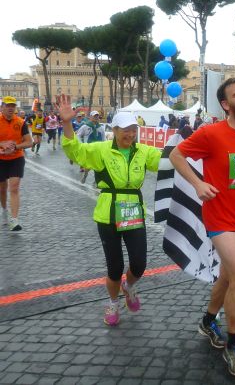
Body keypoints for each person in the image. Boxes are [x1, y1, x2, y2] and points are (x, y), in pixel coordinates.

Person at [169, 77, 235, 378]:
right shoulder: (211, 133)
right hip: (220, 218)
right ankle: (233, 344)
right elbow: (176, 155)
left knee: (227, 276)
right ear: (225, 104)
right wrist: (198, 184)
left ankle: (207, 321)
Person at [58, 97, 161, 325]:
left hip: (134, 213)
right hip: (108, 215)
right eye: (125, 130)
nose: (130, 135)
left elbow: (167, 159)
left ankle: (129, 286)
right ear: (114, 130)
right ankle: (113, 303)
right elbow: (75, 151)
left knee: (139, 263)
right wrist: (66, 124)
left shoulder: (143, 151)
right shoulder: (101, 150)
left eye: (133, 130)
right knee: (114, 267)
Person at [0, 96, 32, 231]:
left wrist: (16, 147)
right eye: (8, 106)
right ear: (2, 107)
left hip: (16, 158)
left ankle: (14, 219)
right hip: (1, 159)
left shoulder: (20, 122)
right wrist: (2, 144)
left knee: (14, 187)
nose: (10, 108)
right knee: (2, 188)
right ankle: (4, 209)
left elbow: (29, 142)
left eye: (12, 106)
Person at [77, 110, 106, 183]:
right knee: (89, 165)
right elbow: (78, 135)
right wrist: (81, 143)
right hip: (89, 149)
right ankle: (85, 175)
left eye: (97, 116)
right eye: (94, 116)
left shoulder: (101, 127)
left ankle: (96, 180)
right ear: (90, 117)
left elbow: (104, 138)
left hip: (98, 149)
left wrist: (105, 147)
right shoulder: (85, 126)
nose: (96, 117)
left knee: (98, 165)